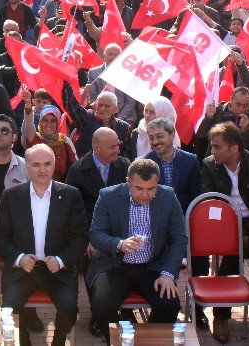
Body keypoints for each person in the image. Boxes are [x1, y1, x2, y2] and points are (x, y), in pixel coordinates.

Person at [0, 144, 88, 346]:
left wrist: (61, 260)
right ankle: (24, 341)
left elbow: (80, 237)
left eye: (47, 164)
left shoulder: (70, 195)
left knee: (70, 308)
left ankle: (59, 341)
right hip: (22, 270)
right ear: (26, 167)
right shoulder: (11, 196)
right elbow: (0, 237)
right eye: (36, 165)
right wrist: (19, 258)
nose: (42, 170)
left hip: (57, 270)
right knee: (9, 310)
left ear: (55, 165)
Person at [88, 159, 187, 335]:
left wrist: (168, 273)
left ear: (158, 182)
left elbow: (179, 238)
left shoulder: (168, 196)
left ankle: (147, 338)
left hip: (152, 266)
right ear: (128, 182)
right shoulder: (108, 196)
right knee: (101, 306)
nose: (145, 195)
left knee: (170, 305)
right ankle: (120, 337)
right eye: (139, 188)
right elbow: (95, 234)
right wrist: (119, 244)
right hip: (115, 265)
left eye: (151, 189)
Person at [200, 122, 249, 343]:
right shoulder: (209, 166)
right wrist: (237, 232)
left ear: (235, 149)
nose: (212, 151)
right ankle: (221, 316)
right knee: (234, 254)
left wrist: (247, 231)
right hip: (226, 229)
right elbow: (208, 202)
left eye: (217, 147)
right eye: (211, 147)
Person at [64, 127, 130, 224]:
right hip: (90, 229)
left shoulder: (125, 166)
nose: (118, 151)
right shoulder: (78, 170)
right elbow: (71, 206)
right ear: (96, 148)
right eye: (112, 147)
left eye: (117, 145)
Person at [142, 117, 202, 211]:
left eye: (159, 136)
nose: (155, 142)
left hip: (184, 214)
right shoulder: (146, 163)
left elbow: (196, 195)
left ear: (172, 135)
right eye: (151, 138)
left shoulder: (190, 160)